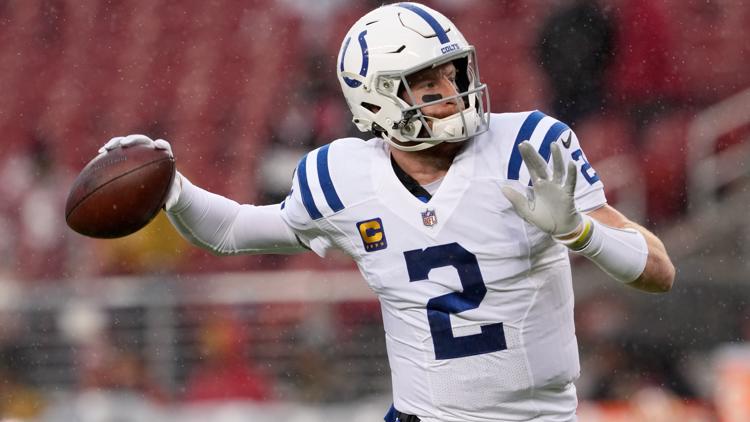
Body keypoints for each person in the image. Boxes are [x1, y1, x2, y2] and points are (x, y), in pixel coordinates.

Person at [98, 3, 675, 421]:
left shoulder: (528, 145)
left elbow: (657, 271)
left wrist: (580, 232)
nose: (452, 88)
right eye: (427, 82)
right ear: (378, 99)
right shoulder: (343, 175)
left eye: (454, 71)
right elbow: (230, 230)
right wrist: (173, 189)